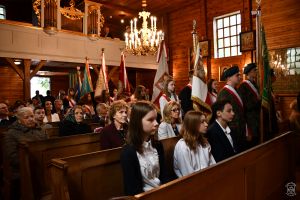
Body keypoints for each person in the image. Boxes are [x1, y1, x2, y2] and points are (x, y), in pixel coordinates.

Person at [120, 101, 168, 195]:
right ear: (137, 122)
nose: (156, 123)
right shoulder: (128, 152)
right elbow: (132, 189)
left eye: (156, 119)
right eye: (150, 120)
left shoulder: (157, 145)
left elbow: (164, 176)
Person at [3, 107, 47, 200]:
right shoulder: (11, 134)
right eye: (26, 117)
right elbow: (13, 158)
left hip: (41, 168)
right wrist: (33, 164)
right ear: (19, 120)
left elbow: (48, 148)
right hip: (21, 172)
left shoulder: (41, 130)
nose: (31, 119)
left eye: (31, 116)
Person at [173, 111, 215, 177]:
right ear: (193, 125)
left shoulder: (204, 143)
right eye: (202, 122)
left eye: (205, 121)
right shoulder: (182, 146)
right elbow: (189, 175)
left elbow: (213, 166)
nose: (206, 124)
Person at [217, 65, 247, 151]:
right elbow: (222, 114)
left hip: (240, 130)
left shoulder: (236, 90)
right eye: (237, 75)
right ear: (229, 78)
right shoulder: (224, 93)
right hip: (232, 130)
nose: (239, 77)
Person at [238, 63, 261, 146]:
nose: (256, 72)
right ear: (249, 72)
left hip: (257, 116)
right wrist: (257, 101)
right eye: (254, 70)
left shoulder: (255, 84)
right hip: (250, 119)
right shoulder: (243, 86)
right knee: (253, 142)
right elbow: (243, 104)